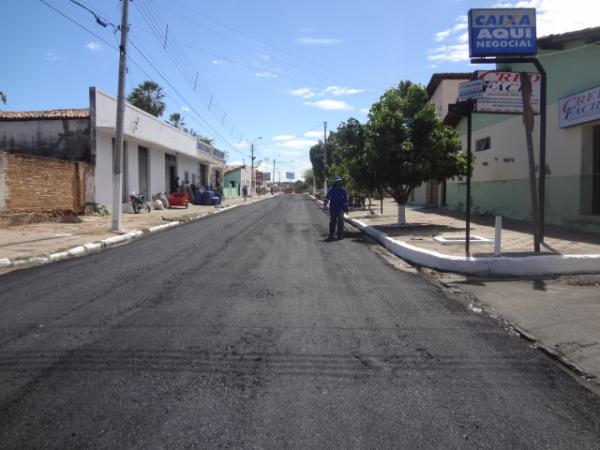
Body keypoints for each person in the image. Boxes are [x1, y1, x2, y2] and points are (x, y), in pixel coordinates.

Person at [324, 176, 348, 240]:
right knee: (332, 222)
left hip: (340, 209)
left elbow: (345, 200)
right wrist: (325, 205)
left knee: (340, 222)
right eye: (337, 181)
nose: (339, 182)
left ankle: (340, 235)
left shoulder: (343, 190)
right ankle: (331, 234)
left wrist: (346, 208)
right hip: (333, 208)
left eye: (339, 181)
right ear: (335, 182)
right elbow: (327, 198)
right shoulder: (332, 189)